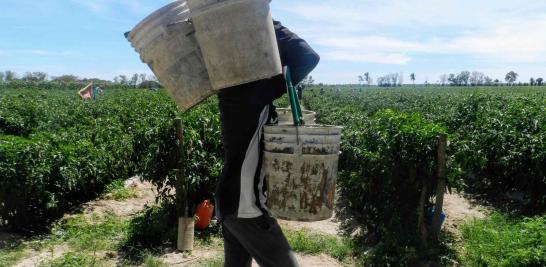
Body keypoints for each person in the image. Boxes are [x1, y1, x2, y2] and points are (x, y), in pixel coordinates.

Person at [215, 20, 320, 267]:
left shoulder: (233, 91)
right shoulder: (250, 93)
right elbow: (307, 57)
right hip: (246, 208)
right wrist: (261, 18)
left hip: (231, 204)